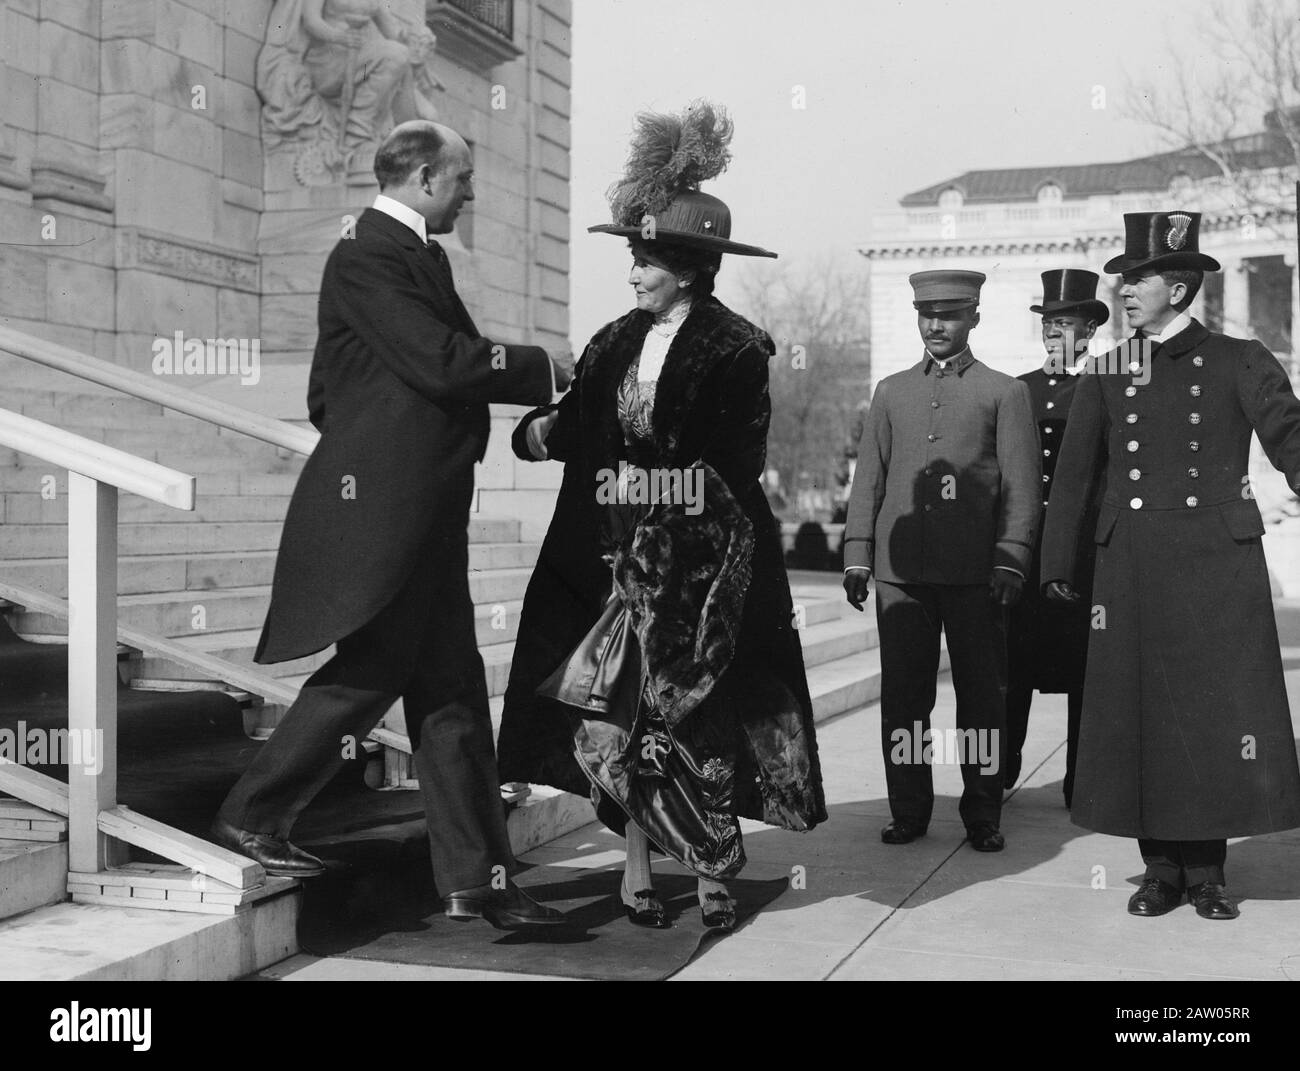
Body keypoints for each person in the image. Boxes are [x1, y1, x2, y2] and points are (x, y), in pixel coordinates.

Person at [211, 120, 573, 930]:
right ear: (421, 176)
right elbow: (442, 359)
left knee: (449, 690)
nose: (472, 193)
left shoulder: (404, 255)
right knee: (378, 667)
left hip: (419, 512)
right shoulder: (369, 252)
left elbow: (328, 391)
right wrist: (546, 366)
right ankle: (254, 813)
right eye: (463, 178)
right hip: (390, 517)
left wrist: (387, 438)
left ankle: (477, 877)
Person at [496, 103, 826, 932]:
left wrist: (652, 515)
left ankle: (714, 872)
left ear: (686, 266)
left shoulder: (735, 352)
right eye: (635, 255)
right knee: (617, 723)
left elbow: (729, 473)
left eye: (645, 258)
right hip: (608, 573)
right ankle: (636, 863)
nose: (634, 270)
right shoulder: (614, 340)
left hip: (698, 577)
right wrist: (528, 436)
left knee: (697, 722)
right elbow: (576, 427)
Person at [1042, 210, 1300, 920]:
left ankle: (1208, 869)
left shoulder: (1239, 359)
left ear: (1180, 288)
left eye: (1139, 277)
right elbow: (1074, 476)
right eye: (1124, 277)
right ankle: (1159, 867)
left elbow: (1290, 436)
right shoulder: (1106, 369)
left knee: (1214, 715)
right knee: (1140, 712)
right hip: (1131, 564)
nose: (1123, 288)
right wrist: (1058, 559)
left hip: (1218, 563)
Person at [842, 270, 1040, 852]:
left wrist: (1011, 560)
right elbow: (868, 480)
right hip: (901, 577)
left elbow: (1022, 488)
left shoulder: (1004, 392)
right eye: (925, 314)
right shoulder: (892, 391)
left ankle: (983, 812)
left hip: (977, 576)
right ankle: (908, 810)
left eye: (949, 315)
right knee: (906, 699)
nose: (935, 325)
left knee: (982, 697)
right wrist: (858, 555)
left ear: (973, 317)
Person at [1004, 269, 1107, 804]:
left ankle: (1079, 781)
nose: (1052, 332)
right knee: (1012, 663)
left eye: (1063, 323)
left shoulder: (1109, 383)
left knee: (1082, 668)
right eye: (1047, 323)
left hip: (1082, 549)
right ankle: (1000, 771)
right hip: (1027, 545)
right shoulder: (1020, 387)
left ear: (1089, 330)